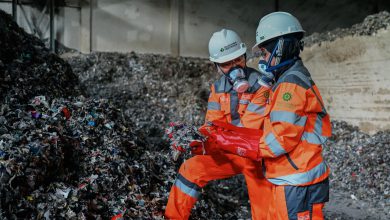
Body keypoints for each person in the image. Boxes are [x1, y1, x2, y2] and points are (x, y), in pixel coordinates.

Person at [207, 12, 332, 220]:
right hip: (287, 176)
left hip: (298, 179)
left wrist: (240, 145)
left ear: (280, 49)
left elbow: (278, 141)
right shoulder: (283, 81)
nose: (263, 60)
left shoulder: (289, 86)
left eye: (264, 53)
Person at [164, 29, 273, 219]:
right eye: (226, 64)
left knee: (262, 197)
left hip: (257, 154)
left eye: (238, 60)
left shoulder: (262, 85)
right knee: (191, 167)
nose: (234, 67)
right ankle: (173, 217)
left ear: (244, 55)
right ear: (217, 66)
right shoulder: (218, 89)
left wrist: (222, 138)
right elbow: (212, 124)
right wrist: (197, 140)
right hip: (230, 151)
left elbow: (251, 127)